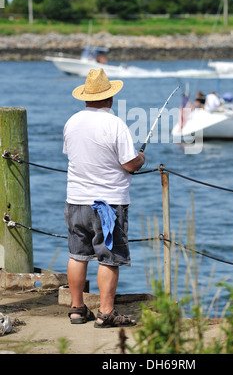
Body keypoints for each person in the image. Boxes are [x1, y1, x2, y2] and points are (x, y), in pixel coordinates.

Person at [63, 68, 145, 327]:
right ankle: (106, 312)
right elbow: (130, 164)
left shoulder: (72, 121)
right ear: (110, 98)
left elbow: (73, 154)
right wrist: (142, 157)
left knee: (77, 255)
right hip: (108, 203)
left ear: (85, 97)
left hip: (75, 200)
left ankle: (77, 309)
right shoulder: (115, 123)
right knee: (109, 257)